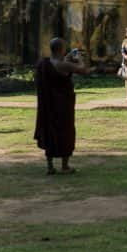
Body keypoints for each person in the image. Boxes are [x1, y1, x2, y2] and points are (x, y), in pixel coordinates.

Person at [34, 38, 88, 175]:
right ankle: (65, 166)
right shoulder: (63, 65)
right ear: (62, 49)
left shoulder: (44, 63)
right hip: (62, 104)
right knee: (66, 132)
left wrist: (67, 58)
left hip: (48, 105)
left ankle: (50, 166)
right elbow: (83, 70)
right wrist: (80, 58)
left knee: (50, 132)